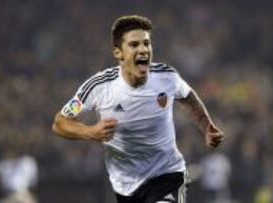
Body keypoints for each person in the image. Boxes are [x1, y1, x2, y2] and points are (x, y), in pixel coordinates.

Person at [52, 15, 224, 203]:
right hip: (126, 187)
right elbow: (60, 123)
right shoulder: (99, 86)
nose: (143, 50)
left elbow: (189, 98)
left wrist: (207, 127)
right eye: (134, 45)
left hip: (168, 175)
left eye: (146, 43)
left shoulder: (167, 77)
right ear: (118, 53)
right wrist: (90, 132)